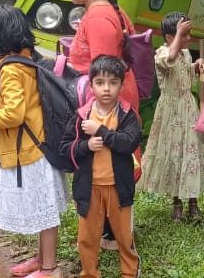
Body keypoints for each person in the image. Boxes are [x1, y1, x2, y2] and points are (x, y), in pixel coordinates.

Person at [0, 5, 68, 278]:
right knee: (44, 211)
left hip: (29, 151)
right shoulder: (27, 59)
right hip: (40, 146)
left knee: (45, 212)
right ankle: (41, 260)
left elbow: (14, 113)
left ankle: (49, 268)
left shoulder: (9, 70)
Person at [63, 0, 141, 249]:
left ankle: (118, 233)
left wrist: (101, 112)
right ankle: (109, 229)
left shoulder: (98, 17)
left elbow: (105, 73)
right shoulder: (103, 11)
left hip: (109, 99)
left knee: (115, 162)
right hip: (110, 96)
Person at [62, 55, 142, 278]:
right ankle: (89, 273)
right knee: (87, 237)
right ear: (91, 84)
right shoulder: (82, 116)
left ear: (121, 85)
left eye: (113, 83)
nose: (106, 89)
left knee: (123, 236)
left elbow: (128, 143)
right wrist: (86, 145)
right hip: (89, 187)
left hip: (118, 186)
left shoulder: (126, 114)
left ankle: (129, 272)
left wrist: (101, 131)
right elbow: (67, 148)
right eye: (100, 83)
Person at [139, 12, 204, 222]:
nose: (188, 39)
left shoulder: (186, 54)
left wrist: (195, 66)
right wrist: (179, 35)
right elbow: (169, 61)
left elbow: (187, 77)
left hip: (188, 108)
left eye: (188, 34)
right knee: (173, 153)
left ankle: (193, 202)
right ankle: (176, 201)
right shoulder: (162, 52)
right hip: (169, 111)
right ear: (170, 37)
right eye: (184, 35)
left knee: (191, 152)